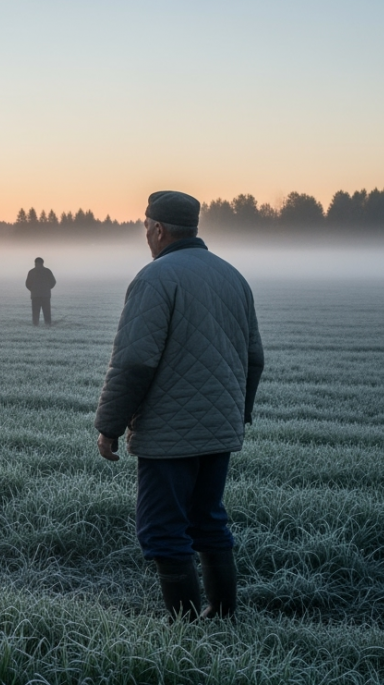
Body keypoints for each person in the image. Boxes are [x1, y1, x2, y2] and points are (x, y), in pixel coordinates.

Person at [94, 191, 264, 621]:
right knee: (208, 519)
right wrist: (236, 414)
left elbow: (134, 360)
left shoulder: (155, 278)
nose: (145, 236)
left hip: (169, 434)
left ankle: (185, 632)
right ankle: (223, 615)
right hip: (220, 428)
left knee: (163, 529)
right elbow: (254, 357)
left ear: (157, 229)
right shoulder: (232, 276)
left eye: (145, 228)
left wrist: (109, 424)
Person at [25, 257, 56, 326]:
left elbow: (27, 284)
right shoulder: (47, 271)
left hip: (35, 296)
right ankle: (48, 327)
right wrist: (47, 288)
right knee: (47, 314)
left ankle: (35, 327)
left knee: (35, 314)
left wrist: (33, 289)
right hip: (45, 296)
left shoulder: (31, 272)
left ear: (35, 263)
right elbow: (53, 282)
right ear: (42, 263)